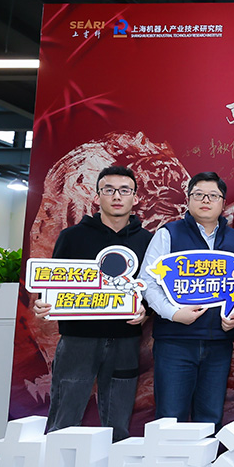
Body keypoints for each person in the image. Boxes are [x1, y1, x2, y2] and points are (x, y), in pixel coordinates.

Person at [32, 166, 153, 442]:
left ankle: (114, 463)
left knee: (118, 424)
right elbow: (52, 283)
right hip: (78, 339)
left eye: (124, 190)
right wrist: (43, 303)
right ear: (97, 196)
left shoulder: (147, 240)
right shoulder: (72, 236)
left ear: (135, 197)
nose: (117, 196)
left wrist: (145, 310)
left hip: (124, 340)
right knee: (64, 417)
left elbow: (151, 287)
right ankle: (58, 462)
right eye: (109, 190)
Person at [139, 171, 234, 427]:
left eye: (213, 195)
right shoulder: (168, 234)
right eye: (198, 194)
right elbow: (148, 282)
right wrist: (173, 313)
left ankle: (206, 456)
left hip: (219, 344)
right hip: (175, 343)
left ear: (223, 203)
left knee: (209, 419)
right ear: (188, 200)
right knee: (170, 418)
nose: (205, 200)